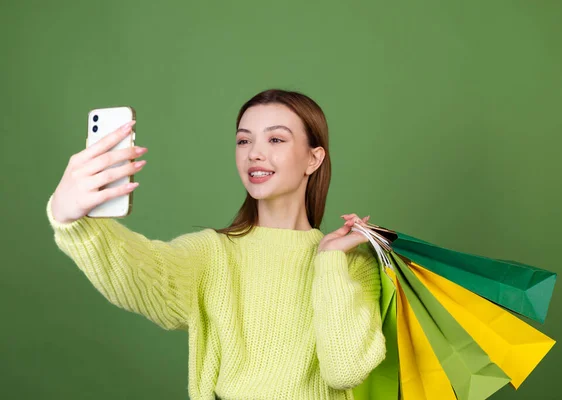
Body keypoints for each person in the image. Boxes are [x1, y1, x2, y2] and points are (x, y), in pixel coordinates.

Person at [46, 88, 386, 399]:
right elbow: (140, 275)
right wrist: (72, 220)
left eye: (276, 140)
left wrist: (328, 260)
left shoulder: (351, 262)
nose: (255, 153)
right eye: (243, 141)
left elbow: (344, 370)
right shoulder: (212, 253)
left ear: (313, 159)